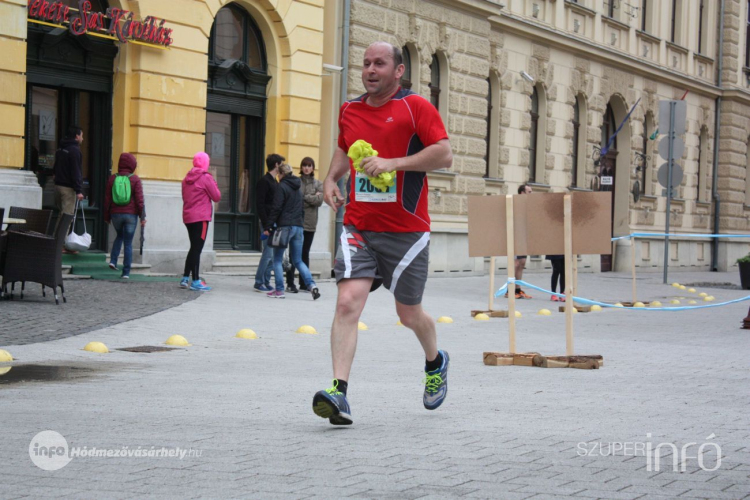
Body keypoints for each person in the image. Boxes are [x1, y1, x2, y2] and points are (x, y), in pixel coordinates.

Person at [312, 41, 453, 426]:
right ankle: (338, 393)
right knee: (347, 303)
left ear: (398, 71)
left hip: (407, 231)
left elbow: (444, 154)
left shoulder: (415, 107)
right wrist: (330, 179)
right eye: (366, 64)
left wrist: (395, 162)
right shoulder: (350, 109)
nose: (370, 70)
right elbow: (344, 148)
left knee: (408, 314)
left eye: (380, 63)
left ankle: (435, 361)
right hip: (359, 224)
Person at [264, 164, 320, 300]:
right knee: (298, 260)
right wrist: (299, 223)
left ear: (282, 174)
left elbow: (276, 208)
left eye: (278, 174)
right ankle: (312, 285)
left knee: (277, 260)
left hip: (284, 227)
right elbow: (302, 210)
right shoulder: (298, 188)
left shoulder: (281, 187)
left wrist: (268, 226)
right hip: (298, 227)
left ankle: (279, 290)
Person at [180, 152, 221, 291]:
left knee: (193, 247)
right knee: (197, 249)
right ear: (205, 163)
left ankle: (185, 277)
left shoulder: (186, 178)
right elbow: (216, 196)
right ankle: (196, 281)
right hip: (201, 217)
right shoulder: (205, 177)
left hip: (188, 216)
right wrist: (213, 181)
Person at [104, 153, 146, 279]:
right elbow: (140, 200)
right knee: (128, 242)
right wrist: (142, 217)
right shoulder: (135, 179)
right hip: (130, 215)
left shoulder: (112, 178)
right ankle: (126, 272)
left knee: (119, 236)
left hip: (116, 214)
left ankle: (113, 261)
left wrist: (107, 216)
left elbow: (107, 199)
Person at [285, 157, 323, 293]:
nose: (307, 168)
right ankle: (290, 282)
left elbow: (319, 201)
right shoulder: (296, 182)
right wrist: (311, 197)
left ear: (313, 168)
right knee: (292, 254)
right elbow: (296, 198)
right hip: (296, 222)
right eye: (304, 165)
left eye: (309, 165)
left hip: (310, 223)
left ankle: (303, 283)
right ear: (301, 168)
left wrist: (305, 197)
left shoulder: (318, 183)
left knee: (304, 253)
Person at [253, 154, 284, 293]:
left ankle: (265, 280)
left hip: (274, 221)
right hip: (268, 222)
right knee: (268, 253)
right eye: (281, 164)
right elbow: (260, 204)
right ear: (276, 165)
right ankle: (259, 281)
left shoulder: (275, 182)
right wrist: (266, 224)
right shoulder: (264, 181)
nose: (282, 166)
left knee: (272, 254)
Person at [507, 183, 533, 299]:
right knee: (516, 263)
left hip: (524, 236)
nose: (531, 194)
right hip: (516, 236)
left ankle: (518, 289)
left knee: (522, 263)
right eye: (529, 192)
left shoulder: (528, 205)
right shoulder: (515, 203)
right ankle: (510, 289)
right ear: (522, 193)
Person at [53, 125, 84, 216]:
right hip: (68, 189)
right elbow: (76, 171)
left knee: (61, 215)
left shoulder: (60, 148)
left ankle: (58, 231)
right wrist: (78, 190)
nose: (83, 139)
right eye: (82, 136)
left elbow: (55, 167)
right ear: (77, 136)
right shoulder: (74, 151)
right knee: (66, 218)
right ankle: (61, 231)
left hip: (57, 186)